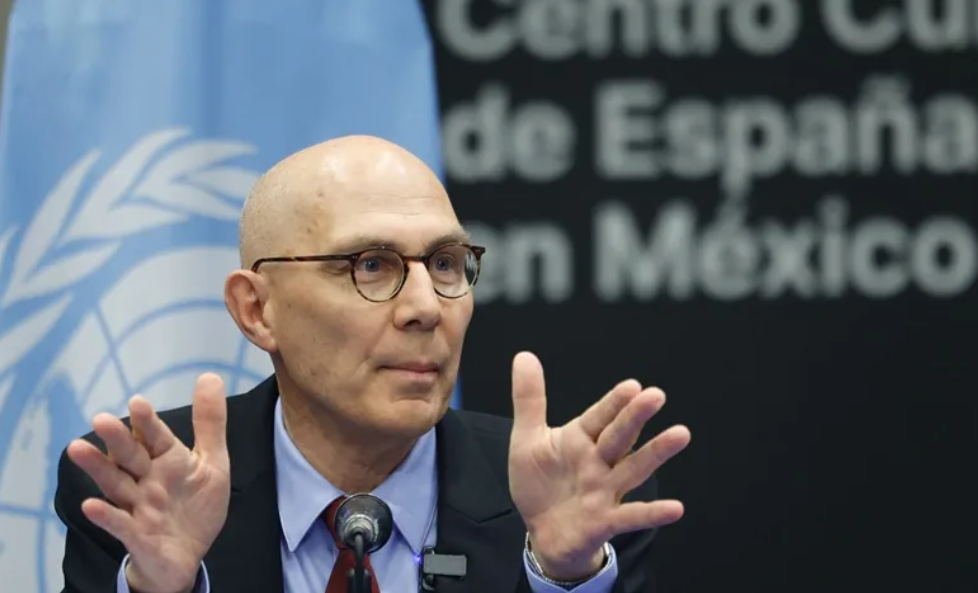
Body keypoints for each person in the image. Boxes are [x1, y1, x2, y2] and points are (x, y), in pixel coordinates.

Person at [54, 135, 691, 593]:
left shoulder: (572, 504)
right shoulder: (142, 493)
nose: (426, 308)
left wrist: (564, 578)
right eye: (372, 266)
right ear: (257, 309)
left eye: (446, 264)